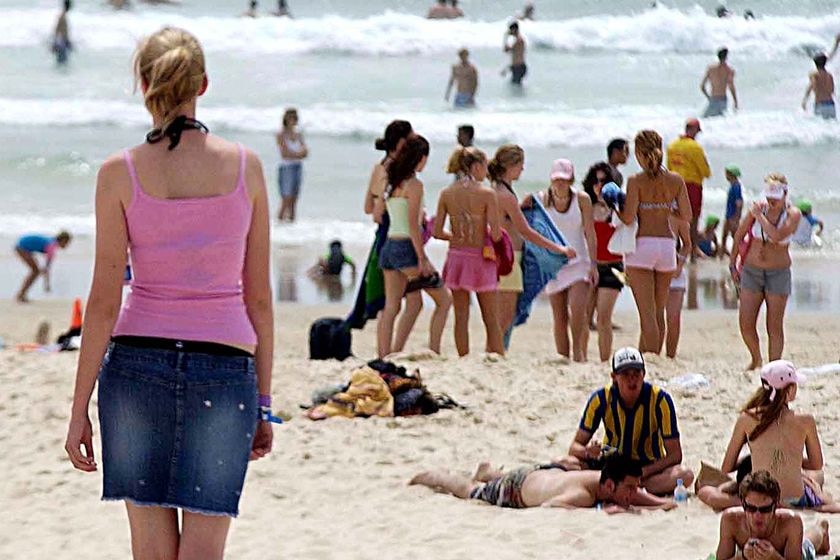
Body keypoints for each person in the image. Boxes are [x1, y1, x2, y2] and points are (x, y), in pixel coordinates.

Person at [64, 27, 274, 558]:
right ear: (202, 84)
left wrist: (78, 406)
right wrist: (265, 402)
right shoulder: (246, 167)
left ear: (143, 84)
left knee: (151, 552)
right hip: (224, 369)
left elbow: (105, 301)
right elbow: (260, 300)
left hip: (136, 369)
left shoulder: (119, 173)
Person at [556, 347, 694, 495]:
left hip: (647, 467)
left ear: (644, 374)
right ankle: (627, 489)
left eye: (636, 373)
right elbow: (574, 447)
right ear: (614, 377)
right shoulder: (601, 399)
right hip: (612, 463)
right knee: (564, 462)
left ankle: (620, 488)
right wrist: (588, 452)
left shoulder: (660, 400)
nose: (632, 379)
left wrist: (643, 472)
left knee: (685, 475)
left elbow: (675, 455)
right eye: (625, 374)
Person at [720, 360, 840, 512]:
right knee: (816, 476)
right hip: (796, 498)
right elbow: (816, 464)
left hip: (762, 499)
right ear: (789, 389)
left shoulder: (747, 418)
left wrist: (756, 457)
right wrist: (791, 458)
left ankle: (737, 502)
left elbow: (726, 467)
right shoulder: (805, 420)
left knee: (707, 492)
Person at [489, 145, 575, 342]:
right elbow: (526, 231)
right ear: (510, 165)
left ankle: (496, 353)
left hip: (501, 257)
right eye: (520, 164)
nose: (522, 169)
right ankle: (494, 354)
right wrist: (559, 249)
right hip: (509, 259)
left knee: (502, 316)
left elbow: (505, 220)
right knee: (505, 317)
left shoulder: (498, 191)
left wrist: (519, 208)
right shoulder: (506, 195)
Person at [621, 130, 692, 354]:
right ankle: (648, 358)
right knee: (658, 312)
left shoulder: (635, 181)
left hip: (642, 245)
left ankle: (649, 359)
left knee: (647, 316)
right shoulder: (675, 180)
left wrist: (616, 207)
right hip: (667, 247)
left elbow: (629, 217)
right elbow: (687, 215)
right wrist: (664, 209)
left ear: (640, 154)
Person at [374, 135, 443, 358]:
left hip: (389, 246)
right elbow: (413, 225)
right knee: (444, 298)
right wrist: (422, 258)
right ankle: (433, 349)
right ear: (420, 158)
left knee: (397, 305)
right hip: (406, 248)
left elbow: (378, 215)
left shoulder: (391, 181)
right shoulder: (415, 185)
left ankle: (386, 355)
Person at [409, 455, 676, 512]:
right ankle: (430, 477)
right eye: (628, 488)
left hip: (544, 474)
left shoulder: (607, 479)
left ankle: (489, 470)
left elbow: (635, 494)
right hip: (517, 490)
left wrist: (662, 503)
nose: (634, 492)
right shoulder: (581, 495)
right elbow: (550, 506)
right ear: (609, 487)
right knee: (469, 491)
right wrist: (601, 511)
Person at [434, 146, 503, 357]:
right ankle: (498, 355)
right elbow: (496, 234)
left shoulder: (446, 193)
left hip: (456, 258)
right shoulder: (486, 193)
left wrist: (455, 238)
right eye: (485, 165)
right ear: (476, 166)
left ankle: (463, 357)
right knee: (490, 316)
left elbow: (437, 232)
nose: (486, 170)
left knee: (461, 316)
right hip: (480, 258)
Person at [729, 174, 801, 370]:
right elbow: (739, 234)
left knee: (774, 325)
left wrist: (759, 216)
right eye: (769, 196)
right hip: (752, 271)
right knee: (745, 322)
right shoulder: (757, 208)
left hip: (778, 272)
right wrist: (732, 262)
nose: (772, 201)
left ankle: (774, 366)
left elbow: (777, 236)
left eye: (776, 197)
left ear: (785, 194)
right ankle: (756, 358)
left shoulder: (793, 214)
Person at [536, 159, 597, 362]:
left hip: (580, 263)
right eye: (556, 180)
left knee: (578, 312)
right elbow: (538, 234)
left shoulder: (582, 199)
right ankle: (563, 358)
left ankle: (579, 355)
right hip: (554, 266)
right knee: (559, 318)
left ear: (571, 179)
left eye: (564, 179)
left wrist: (594, 265)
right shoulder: (543, 199)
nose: (560, 184)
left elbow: (590, 232)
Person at [716, 471, 832, 560]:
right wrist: (742, 556)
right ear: (743, 504)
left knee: (807, 544)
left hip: (786, 554)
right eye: (751, 508)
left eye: (765, 509)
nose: (757, 515)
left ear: (776, 505)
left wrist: (774, 557)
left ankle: (822, 529)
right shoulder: (731, 519)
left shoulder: (791, 521)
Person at [582, 163, 624, 362]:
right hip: (590, 265)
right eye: (595, 181)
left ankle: (604, 360)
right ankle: (580, 357)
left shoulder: (618, 208)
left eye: (603, 181)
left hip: (613, 266)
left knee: (604, 318)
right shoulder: (585, 206)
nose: (598, 185)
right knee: (583, 316)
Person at [666, 118, 711, 262]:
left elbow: (668, 168)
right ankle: (692, 250)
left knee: (675, 216)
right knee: (693, 217)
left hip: (674, 184)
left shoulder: (672, 146)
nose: (697, 134)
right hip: (692, 185)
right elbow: (705, 171)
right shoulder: (695, 148)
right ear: (692, 130)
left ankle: (676, 249)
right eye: (697, 131)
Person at [14, 231, 72, 302]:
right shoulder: (52, 246)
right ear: (63, 240)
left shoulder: (51, 242)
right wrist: (47, 284)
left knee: (35, 271)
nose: (67, 245)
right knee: (35, 271)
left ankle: (21, 294)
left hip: (24, 246)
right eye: (67, 243)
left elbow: (45, 268)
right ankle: (21, 295)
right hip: (22, 247)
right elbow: (47, 268)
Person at [665, 215, 692, 358]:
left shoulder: (678, 217)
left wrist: (680, 265)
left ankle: (670, 356)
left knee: (673, 317)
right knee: (654, 317)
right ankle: (652, 353)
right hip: (654, 271)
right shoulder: (647, 211)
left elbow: (687, 244)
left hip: (674, 272)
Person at [276, 108, 308, 222]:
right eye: (291, 118)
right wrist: (298, 154)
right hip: (286, 168)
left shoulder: (298, 134)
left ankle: (291, 225)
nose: (294, 120)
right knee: (286, 198)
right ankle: (279, 223)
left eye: (295, 118)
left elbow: (306, 152)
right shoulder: (281, 134)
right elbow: (285, 154)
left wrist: (295, 154)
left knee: (294, 199)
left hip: (297, 167)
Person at [701, 47, 738, 117]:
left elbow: (702, 86)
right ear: (726, 57)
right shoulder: (729, 71)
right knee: (719, 120)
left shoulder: (711, 69)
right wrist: (735, 102)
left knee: (704, 119)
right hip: (723, 100)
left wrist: (708, 97)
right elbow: (731, 87)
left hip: (713, 99)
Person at [802, 53, 836, 119]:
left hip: (820, 104)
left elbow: (811, 86)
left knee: (821, 127)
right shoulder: (829, 75)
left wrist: (805, 100)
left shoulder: (814, 74)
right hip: (831, 105)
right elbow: (832, 90)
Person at [719, 164, 744, 258]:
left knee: (734, 236)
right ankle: (723, 253)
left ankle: (739, 254)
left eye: (727, 174)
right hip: (729, 214)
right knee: (726, 235)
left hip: (732, 215)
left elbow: (739, 203)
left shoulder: (736, 186)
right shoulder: (733, 185)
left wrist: (736, 218)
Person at [52, 0, 72, 65]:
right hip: (61, 43)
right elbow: (57, 30)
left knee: (62, 63)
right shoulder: (62, 17)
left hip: (62, 43)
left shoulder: (63, 16)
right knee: (62, 62)